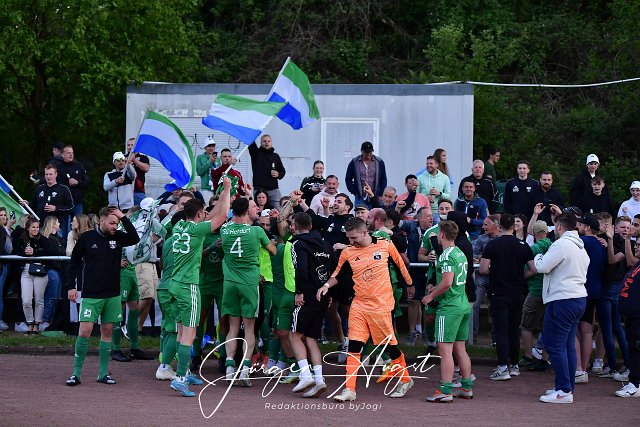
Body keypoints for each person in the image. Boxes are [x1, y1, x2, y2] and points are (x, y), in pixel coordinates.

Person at [318, 217, 414, 402]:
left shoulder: (385, 245)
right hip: (359, 305)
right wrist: (326, 286)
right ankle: (350, 390)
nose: (351, 241)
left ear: (365, 232)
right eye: (348, 238)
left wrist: (410, 285)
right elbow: (338, 274)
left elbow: (401, 265)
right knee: (354, 347)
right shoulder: (348, 252)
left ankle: (405, 379)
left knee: (388, 347)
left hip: (381, 305)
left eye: (354, 238)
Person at [168, 178, 231, 397]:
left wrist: (221, 196)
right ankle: (180, 379)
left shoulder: (179, 225)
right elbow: (222, 216)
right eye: (203, 212)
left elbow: (211, 216)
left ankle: (183, 372)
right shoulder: (197, 230)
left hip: (175, 284)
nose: (206, 214)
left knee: (181, 331)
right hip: (189, 286)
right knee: (190, 333)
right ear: (198, 214)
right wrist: (227, 190)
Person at [65, 206, 140, 386]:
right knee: (85, 332)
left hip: (112, 294)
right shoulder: (86, 238)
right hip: (91, 294)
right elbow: (74, 263)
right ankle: (76, 373)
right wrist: (71, 287)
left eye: (117, 223)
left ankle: (103, 373)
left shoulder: (118, 237)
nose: (115, 226)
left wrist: (123, 218)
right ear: (102, 220)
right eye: (112, 223)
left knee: (107, 332)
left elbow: (135, 238)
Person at [221, 196, 276, 387]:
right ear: (246, 211)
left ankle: (229, 368)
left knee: (233, 327)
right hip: (249, 283)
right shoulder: (256, 231)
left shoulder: (225, 229)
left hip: (230, 283)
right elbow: (273, 251)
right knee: (250, 329)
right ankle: (245, 369)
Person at [534, 212, 589, 404]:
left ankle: (564, 390)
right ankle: (566, 386)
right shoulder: (580, 246)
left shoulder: (561, 244)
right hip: (577, 298)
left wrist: (538, 256)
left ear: (559, 227)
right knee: (567, 345)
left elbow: (542, 267)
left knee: (554, 345)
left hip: (562, 299)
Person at [479, 213, 535, 381]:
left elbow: (483, 269)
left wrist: (495, 272)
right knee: (513, 329)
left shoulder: (493, 244)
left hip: (499, 292)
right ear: (513, 226)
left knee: (501, 330)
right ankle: (514, 365)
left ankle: (503, 366)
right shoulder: (523, 245)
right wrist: (520, 276)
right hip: (517, 292)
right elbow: (533, 269)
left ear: (499, 226)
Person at [423, 220, 474, 402]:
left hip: (449, 307)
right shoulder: (459, 252)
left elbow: (446, 283)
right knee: (460, 349)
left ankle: (445, 391)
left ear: (442, 235)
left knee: (445, 351)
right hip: (463, 304)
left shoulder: (446, 255)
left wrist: (431, 296)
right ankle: (466, 387)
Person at [289, 212, 337, 398]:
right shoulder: (326, 245)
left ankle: (305, 375)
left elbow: (300, 268)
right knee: (311, 338)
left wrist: (298, 291)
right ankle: (319, 379)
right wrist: (329, 293)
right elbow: (334, 271)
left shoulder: (298, 244)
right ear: (310, 225)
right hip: (322, 295)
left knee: (295, 335)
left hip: (306, 294)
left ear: (295, 226)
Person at [574, 214, 606, 384]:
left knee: (574, 330)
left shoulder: (581, 242)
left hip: (580, 290)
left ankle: (578, 367)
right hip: (594, 290)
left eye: (580, 224)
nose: (577, 227)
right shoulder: (601, 244)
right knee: (587, 331)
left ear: (587, 227)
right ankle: (584, 368)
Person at [519, 220, 552, 371]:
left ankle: (528, 356)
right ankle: (545, 359)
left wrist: (521, 277)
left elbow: (527, 269)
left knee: (526, 325)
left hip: (535, 290)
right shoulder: (553, 246)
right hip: (550, 292)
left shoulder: (533, 248)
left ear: (534, 233)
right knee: (546, 327)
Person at [13, 216, 55, 334]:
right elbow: (15, 251)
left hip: (40, 269)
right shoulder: (21, 239)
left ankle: (36, 324)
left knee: (39, 299)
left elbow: (52, 252)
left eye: (37, 227)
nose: (36, 229)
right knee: (26, 300)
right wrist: (24, 252)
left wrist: (35, 252)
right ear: (27, 228)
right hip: (26, 270)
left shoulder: (43, 239)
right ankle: (30, 322)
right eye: (33, 227)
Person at [399, 207, 433, 345]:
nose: (431, 218)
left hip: (429, 270)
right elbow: (396, 222)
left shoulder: (436, 230)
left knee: (427, 302)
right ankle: (413, 332)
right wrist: (399, 208)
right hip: (413, 269)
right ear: (419, 218)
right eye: (427, 216)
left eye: (431, 215)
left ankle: (426, 332)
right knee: (413, 301)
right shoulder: (411, 226)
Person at [471, 214, 500, 342]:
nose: (482, 227)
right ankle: (472, 337)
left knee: (496, 308)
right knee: (474, 305)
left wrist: (483, 258)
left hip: (496, 277)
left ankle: (495, 339)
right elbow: (473, 254)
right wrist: (478, 258)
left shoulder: (503, 239)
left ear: (496, 225)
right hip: (481, 277)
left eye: (486, 224)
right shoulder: (481, 238)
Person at [616, 243, 640, 397]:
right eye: (636, 244)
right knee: (633, 349)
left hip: (638, 317)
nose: (636, 247)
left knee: (637, 350)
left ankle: (636, 384)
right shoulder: (637, 264)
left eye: (639, 245)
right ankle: (633, 381)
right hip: (631, 316)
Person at [21, 164, 74, 232]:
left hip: (55, 228)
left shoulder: (63, 189)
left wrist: (55, 208)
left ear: (56, 174)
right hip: (40, 226)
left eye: (50, 174)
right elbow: (33, 205)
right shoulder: (40, 188)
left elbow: (70, 207)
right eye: (46, 174)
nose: (48, 176)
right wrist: (27, 204)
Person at [345, 141, 387, 209]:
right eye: (366, 152)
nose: (368, 154)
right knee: (360, 214)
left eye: (370, 152)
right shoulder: (354, 162)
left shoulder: (379, 162)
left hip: (375, 196)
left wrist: (380, 193)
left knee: (375, 213)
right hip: (360, 196)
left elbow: (383, 179)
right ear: (361, 151)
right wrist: (354, 191)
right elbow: (348, 179)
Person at [41, 216, 65, 331]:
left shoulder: (59, 238)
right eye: (58, 222)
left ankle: (50, 320)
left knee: (56, 297)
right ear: (53, 224)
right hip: (51, 270)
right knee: (50, 296)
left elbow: (62, 251)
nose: (59, 224)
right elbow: (54, 252)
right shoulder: (45, 238)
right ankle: (44, 320)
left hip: (59, 270)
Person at [55, 145, 89, 226]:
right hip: (63, 204)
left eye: (72, 153)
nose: (71, 155)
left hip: (77, 202)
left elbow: (87, 182)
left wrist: (77, 182)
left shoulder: (79, 166)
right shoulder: (58, 167)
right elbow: (54, 183)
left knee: (78, 225)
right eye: (68, 153)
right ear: (62, 155)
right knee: (63, 226)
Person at [249, 134, 286, 207]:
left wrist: (278, 174)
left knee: (279, 211)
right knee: (258, 212)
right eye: (264, 141)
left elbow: (282, 171)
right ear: (260, 143)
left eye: (269, 141)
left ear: (271, 143)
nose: (267, 143)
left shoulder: (276, 156)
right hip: (259, 190)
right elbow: (250, 139)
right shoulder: (255, 153)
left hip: (274, 190)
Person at [417, 156, 451, 221]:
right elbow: (416, 195)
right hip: (423, 210)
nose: (428, 165)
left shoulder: (444, 178)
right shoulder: (420, 177)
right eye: (427, 164)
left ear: (437, 165)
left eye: (431, 163)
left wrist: (440, 193)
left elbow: (449, 196)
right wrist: (425, 197)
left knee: (437, 224)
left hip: (438, 211)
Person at [0, 208, 15, 332]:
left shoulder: (11, 230)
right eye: (1, 215)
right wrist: (6, 229)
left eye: (5, 215)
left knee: (3, 294)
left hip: (7, 267)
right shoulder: (4, 230)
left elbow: (10, 250)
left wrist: (8, 230)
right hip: (2, 266)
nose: (3, 217)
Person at [125, 137, 151, 206]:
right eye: (128, 145)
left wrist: (134, 160)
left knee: (141, 209)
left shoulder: (143, 157)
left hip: (138, 190)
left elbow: (146, 168)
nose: (130, 147)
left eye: (132, 145)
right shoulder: (123, 158)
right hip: (125, 190)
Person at [195, 137, 218, 203]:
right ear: (205, 147)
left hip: (216, 188)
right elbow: (199, 172)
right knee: (207, 206)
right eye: (209, 146)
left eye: (213, 146)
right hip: (206, 188)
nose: (211, 148)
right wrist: (209, 162)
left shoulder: (218, 158)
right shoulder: (200, 157)